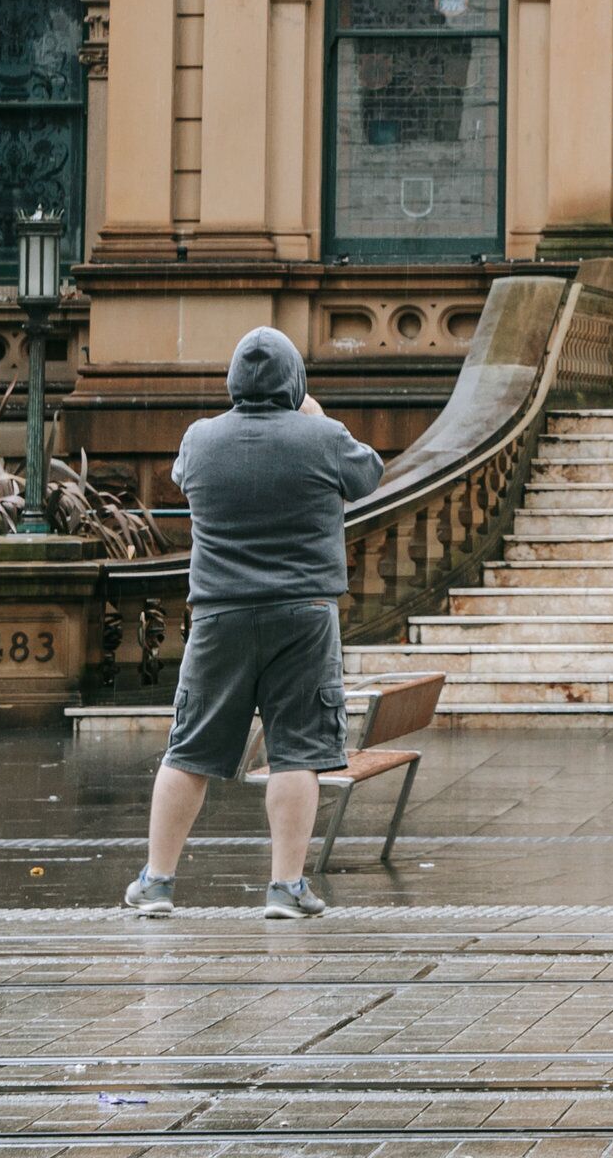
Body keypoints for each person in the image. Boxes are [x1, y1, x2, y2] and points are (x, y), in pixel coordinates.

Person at [123, 326, 384, 920]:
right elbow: (369, 474)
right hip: (305, 615)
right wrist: (314, 415)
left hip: (220, 614)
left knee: (189, 749)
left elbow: (182, 478)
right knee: (297, 752)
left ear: (234, 381)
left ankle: (157, 882)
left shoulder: (200, 438)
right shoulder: (322, 437)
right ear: (295, 381)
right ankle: (286, 888)